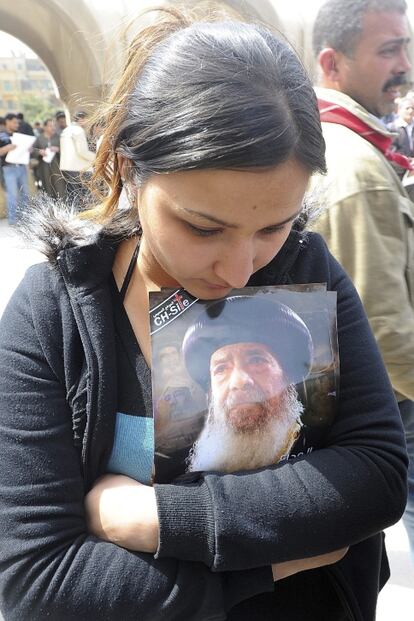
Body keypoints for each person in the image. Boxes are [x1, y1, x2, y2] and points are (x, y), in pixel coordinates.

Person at [0, 7, 408, 621]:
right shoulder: (54, 313)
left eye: (273, 225)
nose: (240, 268)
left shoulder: (304, 267)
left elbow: (374, 475)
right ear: (127, 168)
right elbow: (36, 579)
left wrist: (159, 518)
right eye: (202, 227)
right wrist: (266, 566)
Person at [310, 0, 414, 564]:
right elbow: (385, 328)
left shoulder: (346, 145)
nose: (405, 64)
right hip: (396, 396)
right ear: (333, 63)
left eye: (405, 46)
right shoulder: (357, 163)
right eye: (388, 50)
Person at [182, 296, 312, 472]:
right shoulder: (191, 462)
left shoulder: (324, 448)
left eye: (256, 360)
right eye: (221, 369)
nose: (239, 382)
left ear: (287, 377)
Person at [59, 110, 95, 204]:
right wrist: (97, 158)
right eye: (87, 119)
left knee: (73, 195)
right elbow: (82, 151)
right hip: (79, 168)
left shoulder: (67, 130)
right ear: (81, 119)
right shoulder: (78, 130)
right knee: (84, 196)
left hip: (67, 167)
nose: (88, 122)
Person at [0, 112, 29, 225]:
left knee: (25, 194)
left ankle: (25, 217)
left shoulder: (19, 135)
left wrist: (28, 149)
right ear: (7, 122)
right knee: (12, 195)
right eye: (14, 122)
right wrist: (7, 147)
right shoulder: (1, 135)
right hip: (9, 169)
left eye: (18, 122)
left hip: (21, 167)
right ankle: (13, 220)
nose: (17, 124)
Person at [31, 118, 66, 199]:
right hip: (44, 168)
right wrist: (39, 152)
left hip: (57, 167)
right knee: (47, 187)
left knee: (60, 186)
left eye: (54, 126)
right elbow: (32, 150)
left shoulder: (58, 137)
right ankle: (51, 208)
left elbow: (66, 150)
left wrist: (58, 149)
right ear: (45, 127)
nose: (53, 128)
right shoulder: (39, 138)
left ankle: (63, 205)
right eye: (50, 126)